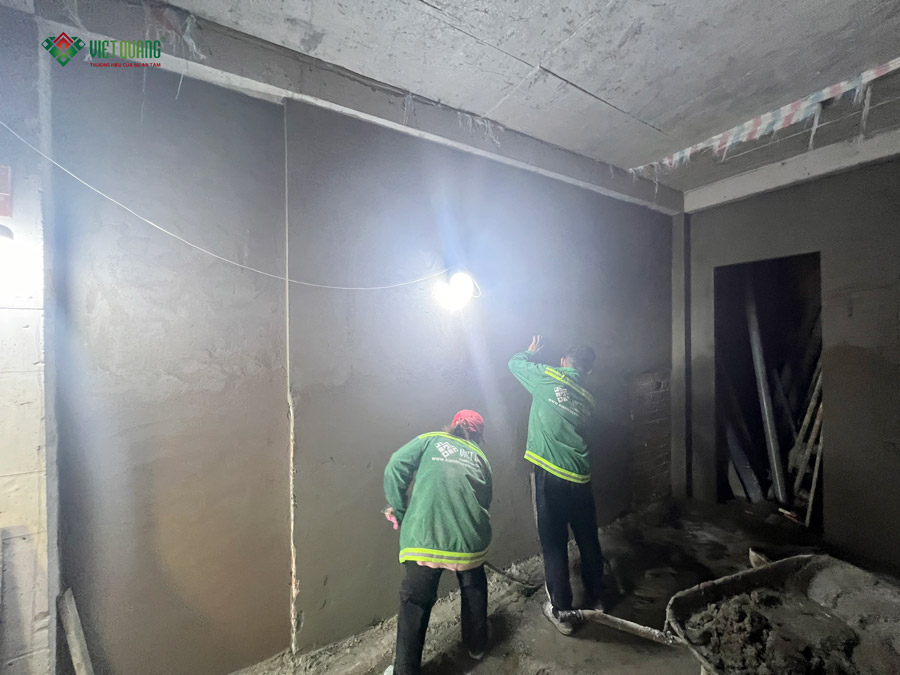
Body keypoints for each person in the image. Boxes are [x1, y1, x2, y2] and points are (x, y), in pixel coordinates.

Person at [382, 410, 492, 675]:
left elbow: (396, 465)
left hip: (425, 536)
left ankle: (405, 670)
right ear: (478, 436)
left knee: (415, 602)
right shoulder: (481, 457)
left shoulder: (431, 439)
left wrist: (399, 510)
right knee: (474, 583)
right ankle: (476, 645)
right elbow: (485, 500)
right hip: (468, 542)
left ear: (452, 425)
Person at [508, 335, 605, 636]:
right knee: (588, 539)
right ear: (589, 371)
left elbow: (514, 364)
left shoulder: (548, 376)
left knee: (553, 544)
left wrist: (530, 351)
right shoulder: (589, 399)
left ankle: (562, 611)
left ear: (563, 362)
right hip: (581, 477)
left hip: (550, 476)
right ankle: (597, 599)